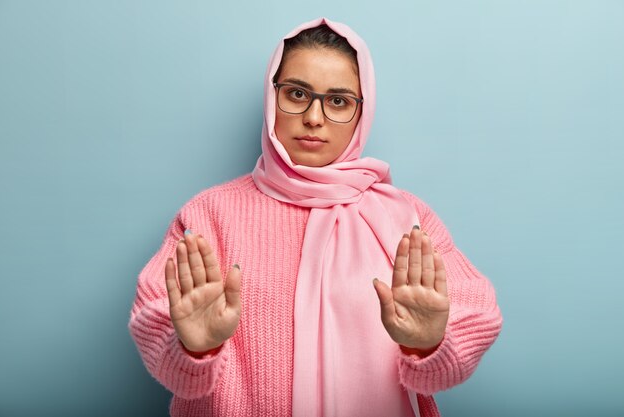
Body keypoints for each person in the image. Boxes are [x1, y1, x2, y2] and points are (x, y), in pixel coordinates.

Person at [128, 17, 502, 417]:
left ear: (363, 111)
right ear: (273, 98)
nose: (314, 117)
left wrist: (429, 344)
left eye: (338, 101)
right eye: (297, 94)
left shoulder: (407, 218)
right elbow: (158, 328)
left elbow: (473, 318)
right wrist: (192, 347)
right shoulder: (208, 215)